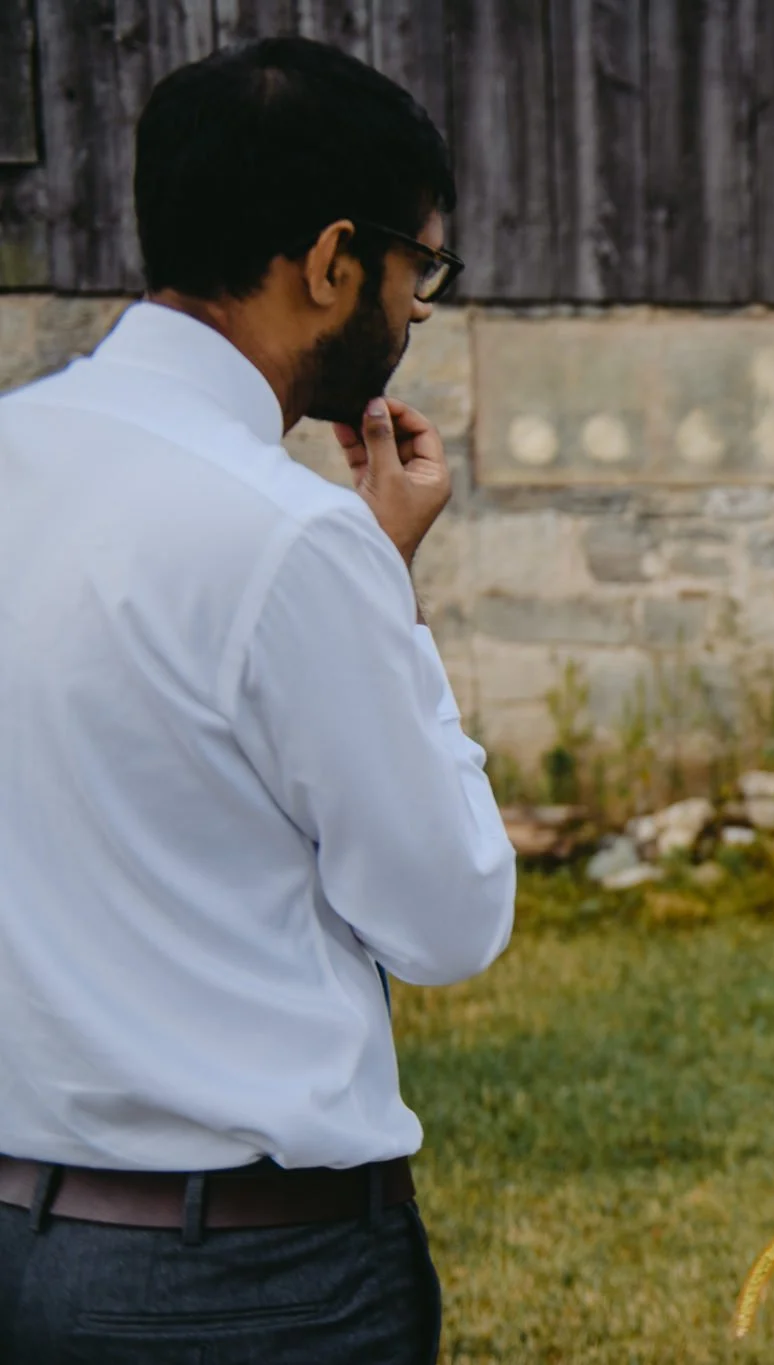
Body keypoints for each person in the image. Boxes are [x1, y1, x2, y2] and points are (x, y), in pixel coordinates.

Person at [0, 37, 513, 1363]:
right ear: (333, 260)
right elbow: (447, 917)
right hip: (245, 1277)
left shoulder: (14, 453)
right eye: (419, 271)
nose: (416, 315)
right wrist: (386, 595)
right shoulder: (293, 538)